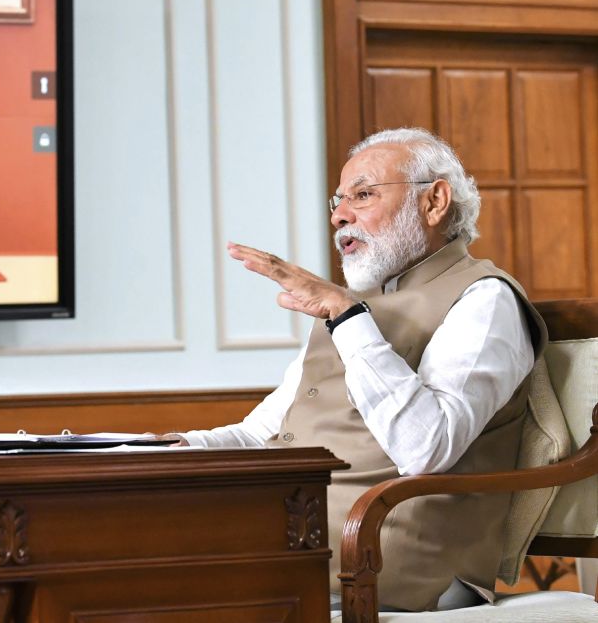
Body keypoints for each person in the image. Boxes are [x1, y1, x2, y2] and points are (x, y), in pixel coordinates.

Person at [173, 128, 547, 613]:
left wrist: (349, 320)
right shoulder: (352, 308)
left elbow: (426, 449)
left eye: (363, 195)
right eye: (339, 200)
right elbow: (259, 436)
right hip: (293, 554)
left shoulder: (485, 298)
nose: (339, 215)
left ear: (434, 202)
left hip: (390, 571)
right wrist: (162, 448)